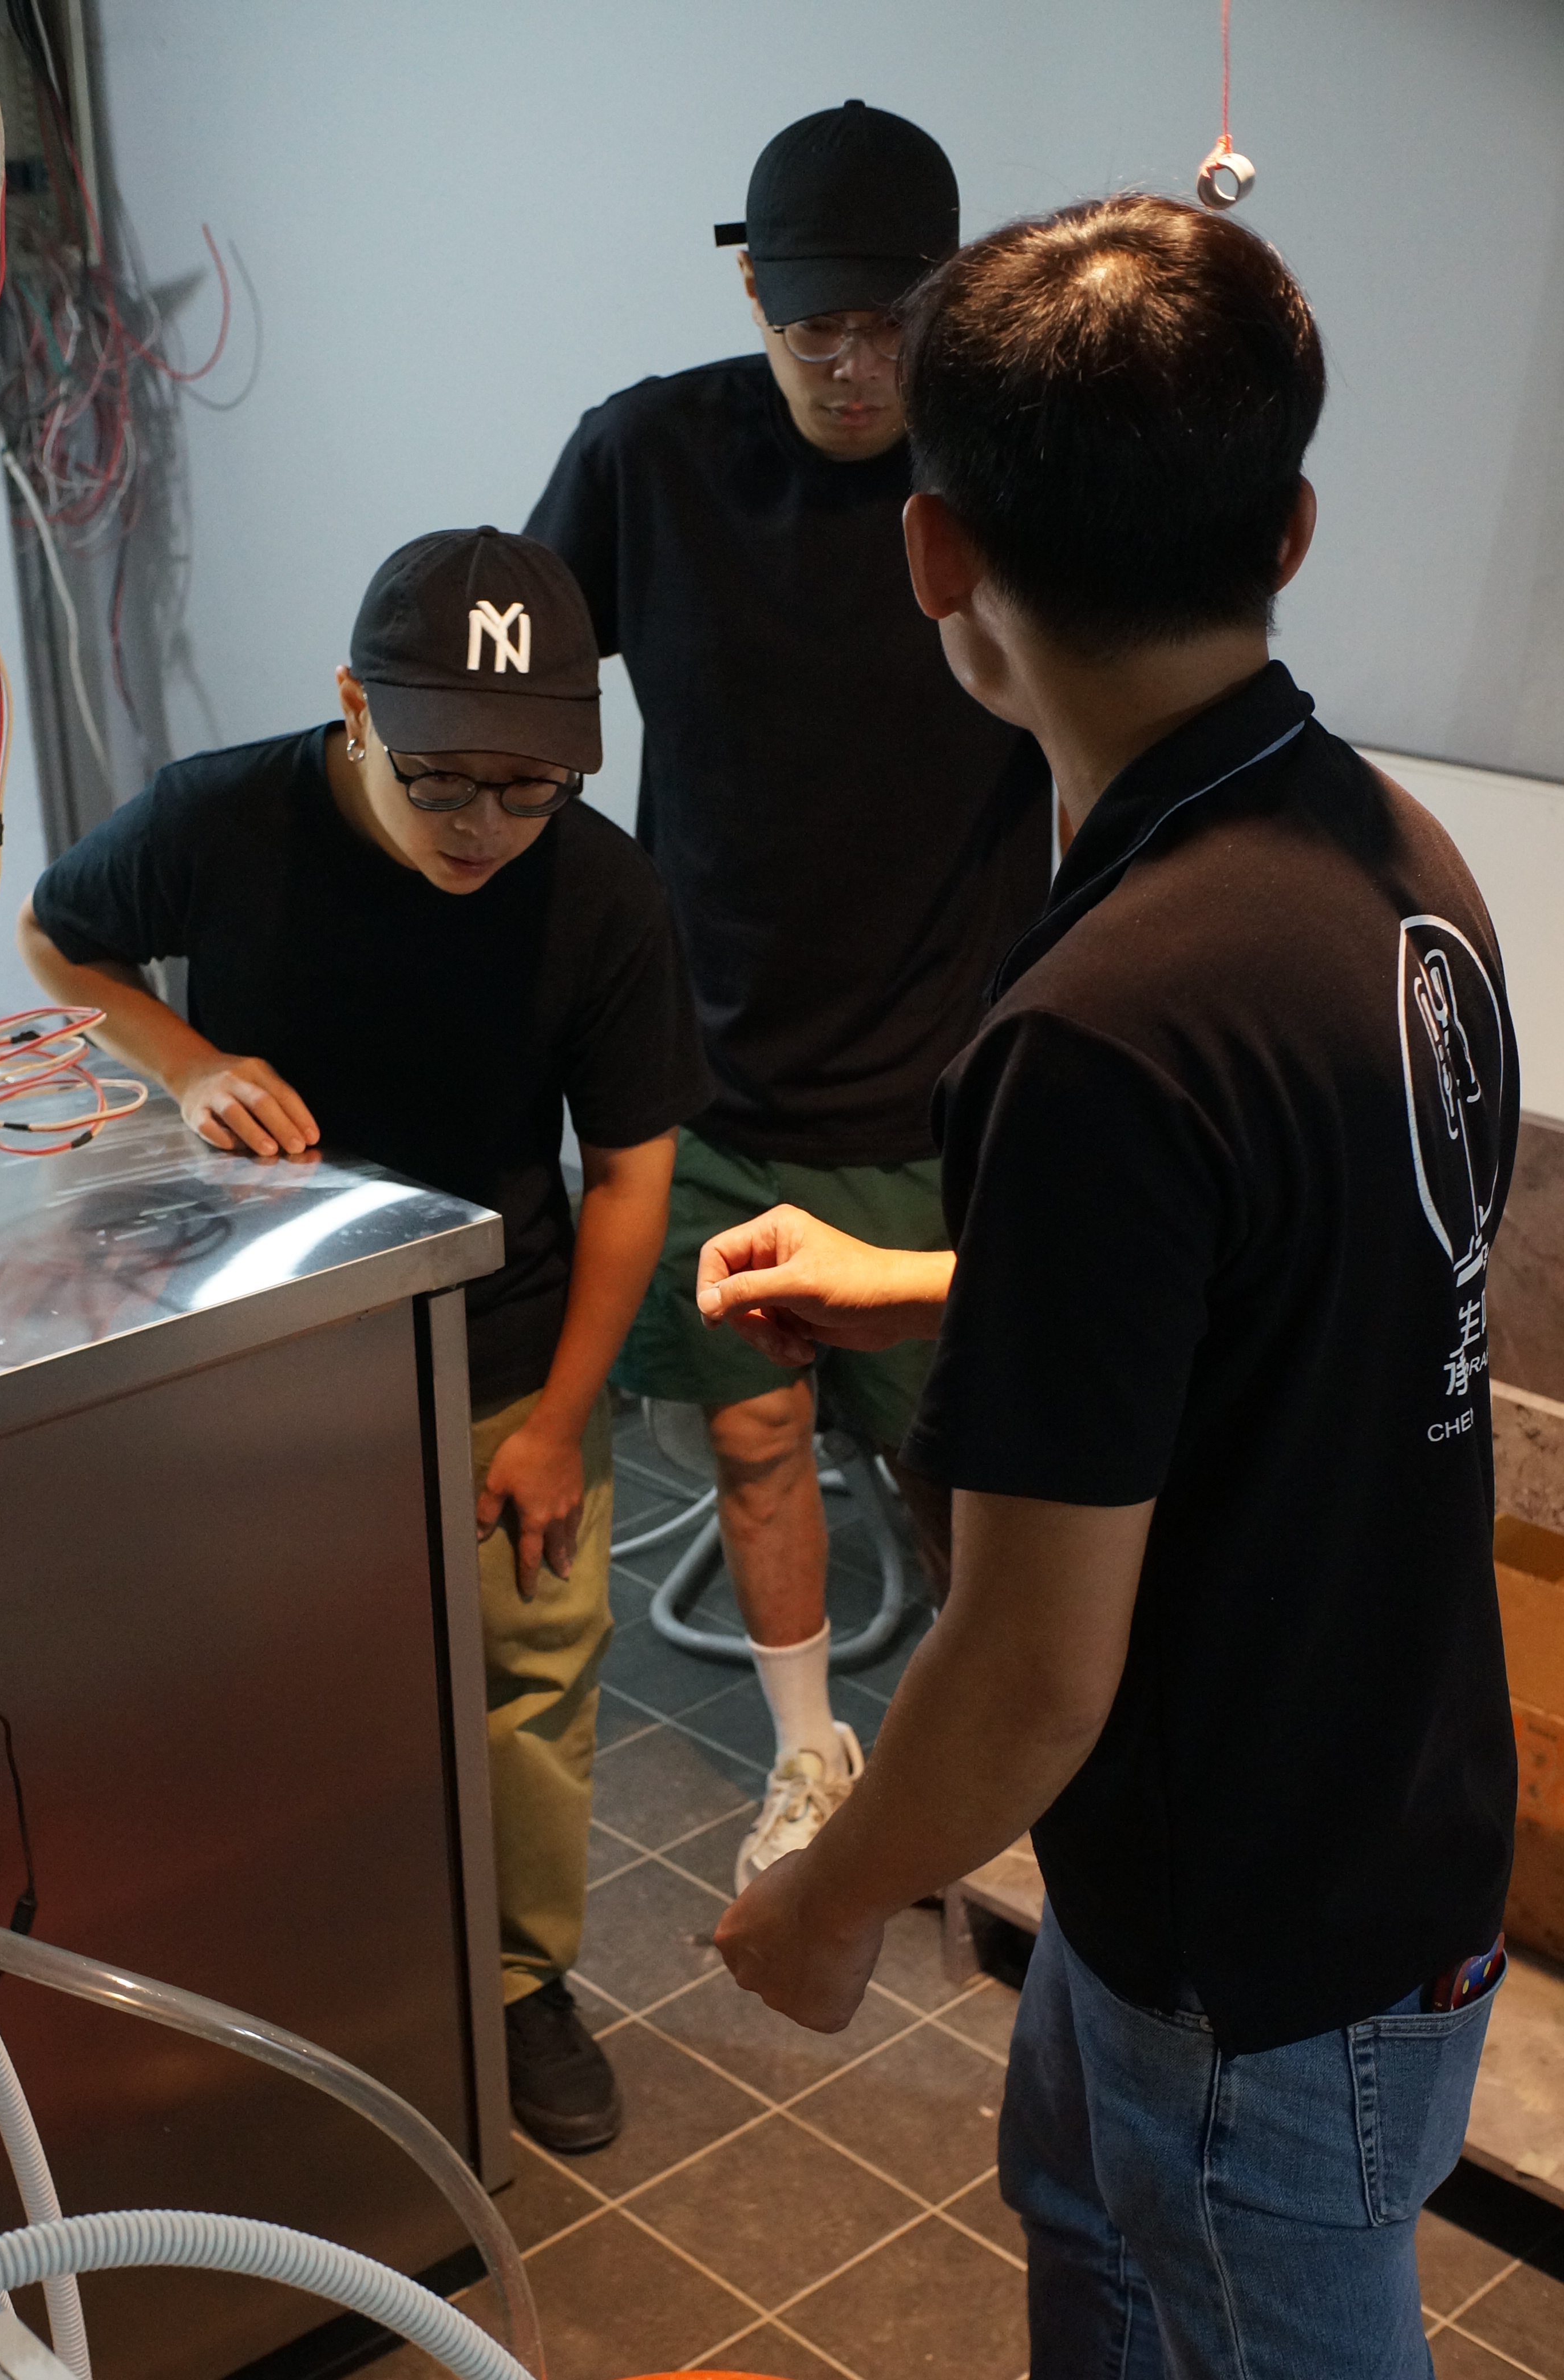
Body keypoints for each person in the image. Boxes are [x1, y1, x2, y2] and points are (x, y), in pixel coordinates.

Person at [699, 196, 1564, 2380]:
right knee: (1075, 2200)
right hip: (1372, 1804)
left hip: (1253, 1923)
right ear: (1288, 529)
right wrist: (926, 1279)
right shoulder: (1384, 865)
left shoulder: (1099, 1028)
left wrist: (826, 1898)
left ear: (936, 558)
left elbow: (1031, 1676)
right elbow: (1274, 1273)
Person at [17, 526, 711, 2155]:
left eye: (527, 788)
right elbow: (62, 935)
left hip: (501, 1345)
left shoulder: (599, 890)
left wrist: (562, 1420)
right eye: (441, 779)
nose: (483, 826)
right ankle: (297, 1963)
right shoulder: (222, 817)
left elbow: (631, 1175)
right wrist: (187, 1059)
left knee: (528, 1669)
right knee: (276, 1663)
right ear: (353, 707)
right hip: (262, 1343)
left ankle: (524, 1982)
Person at [527, 99, 1050, 1890]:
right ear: (754, 290)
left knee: (969, 1471)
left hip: (945, 1073)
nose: (851, 368)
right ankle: (810, 1756)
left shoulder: (1014, 466)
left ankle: (1011, 1765)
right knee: (752, 1441)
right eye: (814, 326)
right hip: (718, 1066)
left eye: (890, 329)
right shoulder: (649, 456)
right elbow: (524, 692)